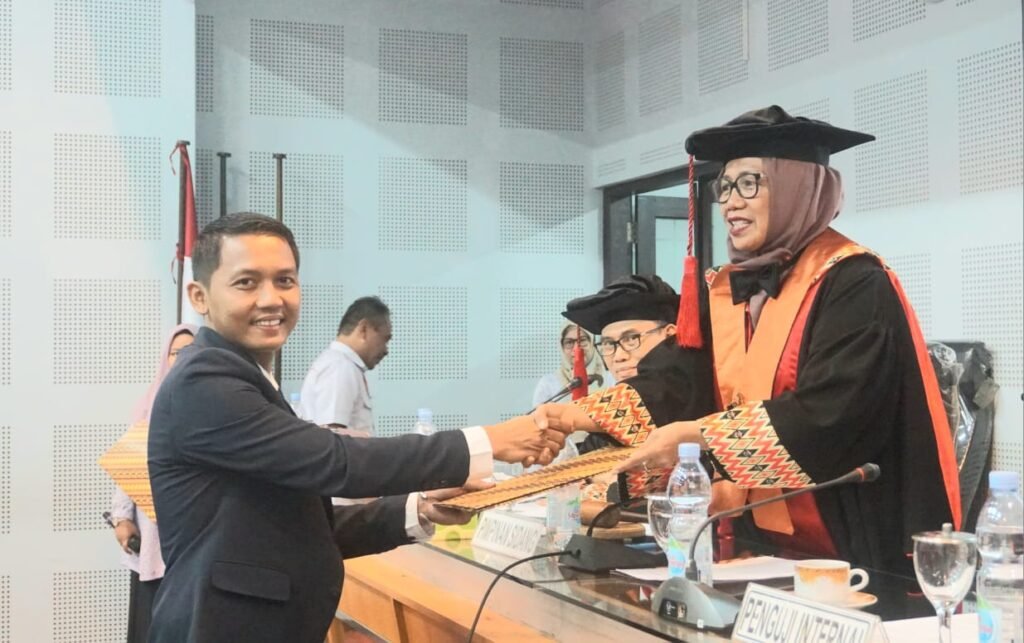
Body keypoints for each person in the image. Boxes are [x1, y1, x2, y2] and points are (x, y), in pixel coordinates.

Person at [147, 213, 569, 643]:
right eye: (246, 283)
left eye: (285, 281)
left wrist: (419, 508)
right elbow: (337, 461)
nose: (271, 299)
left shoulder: (247, 375)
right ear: (199, 296)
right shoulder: (204, 381)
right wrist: (490, 441)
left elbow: (297, 525)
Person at [610, 106, 961, 576]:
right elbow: (673, 383)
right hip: (754, 545)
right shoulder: (727, 290)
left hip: (851, 544)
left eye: (749, 183)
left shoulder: (854, 282)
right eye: (724, 188)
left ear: (800, 188)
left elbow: (830, 415)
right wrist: (557, 422)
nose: (730, 203)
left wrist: (700, 436)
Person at [532, 275, 716, 500]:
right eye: (609, 344)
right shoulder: (607, 423)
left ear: (670, 335)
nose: (618, 356)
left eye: (631, 339)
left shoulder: (691, 392)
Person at [109, 323, 196, 643]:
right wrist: (121, 518)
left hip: (194, 532)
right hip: (152, 533)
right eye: (176, 353)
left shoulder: (213, 405)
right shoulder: (149, 406)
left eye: (190, 352)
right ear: (165, 357)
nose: (182, 359)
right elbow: (129, 469)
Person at [297, 296, 391, 435]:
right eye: (384, 339)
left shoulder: (342, 365)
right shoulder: (340, 368)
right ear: (363, 329)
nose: (386, 350)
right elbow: (331, 435)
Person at [531, 322, 608, 408]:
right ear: (562, 347)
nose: (576, 348)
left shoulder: (611, 378)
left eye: (582, 340)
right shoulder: (548, 383)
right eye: (569, 342)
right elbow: (538, 414)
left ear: (592, 343)